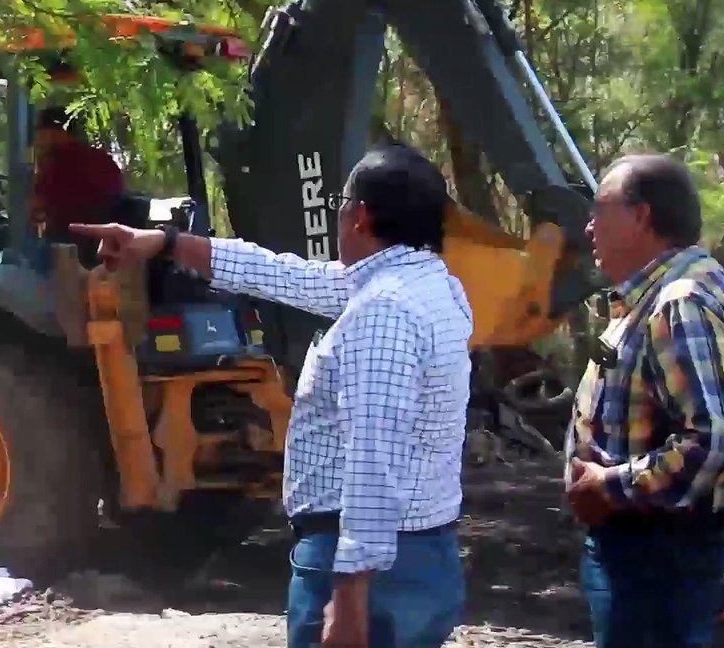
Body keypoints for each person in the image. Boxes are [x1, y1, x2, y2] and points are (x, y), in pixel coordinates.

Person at [71, 142, 473, 648]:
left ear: (361, 218)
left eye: (340, 207)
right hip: (414, 554)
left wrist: (348, 598)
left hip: (370, 570)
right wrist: (165, 243)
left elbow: (374, 456)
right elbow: (282, 274)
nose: (338, 220)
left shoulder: (384, 312)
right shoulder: (423, 287)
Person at [566, 153, 724, 648]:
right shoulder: (664, 292)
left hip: (655, 553)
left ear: (642, 215)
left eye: (600, 209)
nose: (589, 226)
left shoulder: (680, 300)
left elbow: (721, 437)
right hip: (651, 548)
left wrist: (610, 486)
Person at [30, 106, 125, 237]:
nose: (38, 139)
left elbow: (36, 211)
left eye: (41, 132)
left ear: (54, 132)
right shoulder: (103, 160)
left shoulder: (56, 164)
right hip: (104, 240)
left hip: (67, 241)